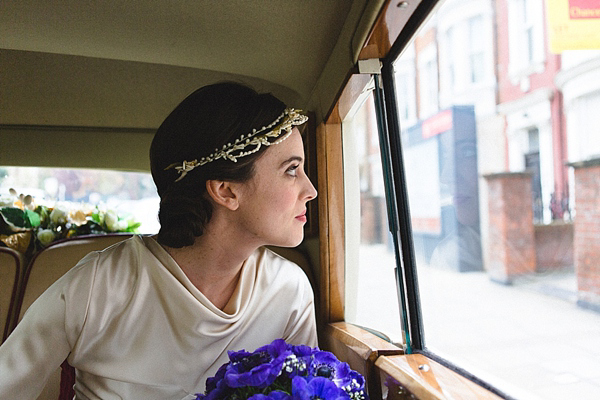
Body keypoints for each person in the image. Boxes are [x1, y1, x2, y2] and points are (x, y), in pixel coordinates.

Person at [0, 82, 318, 399]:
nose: (311, 190)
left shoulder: (289, 292)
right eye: (292, 170)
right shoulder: (98, 285)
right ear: (226, 190)